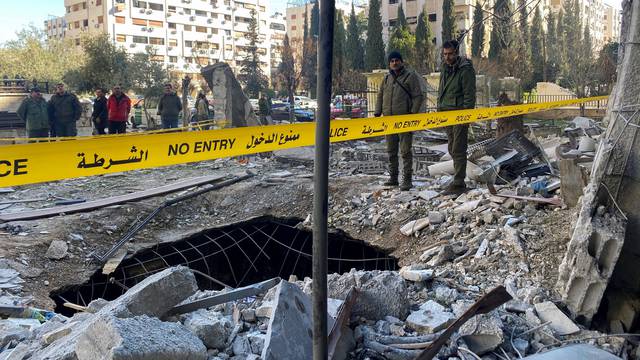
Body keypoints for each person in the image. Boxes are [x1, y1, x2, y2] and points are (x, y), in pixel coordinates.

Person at [374, 50, 424, 191]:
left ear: (401, 61)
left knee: (405, 151)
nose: (394, 63)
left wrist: (412, 114)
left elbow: (418, 96)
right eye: (392, 61)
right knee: (391, 150)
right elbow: (380, 95)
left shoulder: (410, 76)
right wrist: (378, 112)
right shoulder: (386, 79)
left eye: (397, 60)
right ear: (389, 63)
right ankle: (393, 178)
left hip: (404, 121)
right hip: (388, 121)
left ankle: (407, 179)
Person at [437, 40, 477, 195]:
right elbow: (442, 90)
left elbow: (469, 94)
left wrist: (466, 116)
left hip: (459, 114)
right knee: (452, 148)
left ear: (456, 53)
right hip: (447, 114)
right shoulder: (445, 68)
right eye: (445, 54)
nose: (447, 57)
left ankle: (459, 183)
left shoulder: (465, 70)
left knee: (458, 148)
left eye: (450, 54)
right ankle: (458, 178)